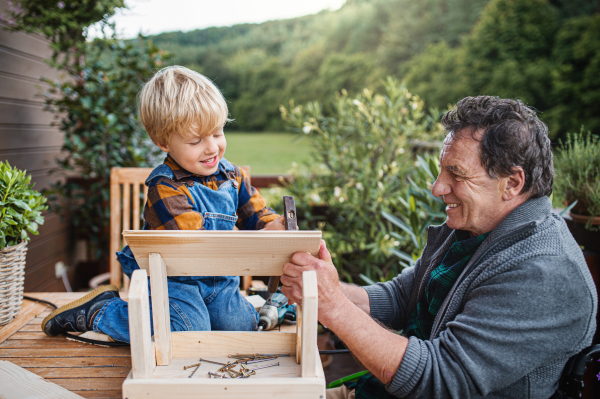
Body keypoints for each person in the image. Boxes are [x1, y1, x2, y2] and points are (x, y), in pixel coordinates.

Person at [281, 96, 597, 399]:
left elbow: (438, 380)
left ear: (512, 183)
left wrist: (334, 307)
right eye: (442, 169)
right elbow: (402, 298)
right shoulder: (475, 226)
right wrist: (322, 283)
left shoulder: (544, 273)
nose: (437, 187)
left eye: (456, 174)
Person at [42, 66, 285, 342]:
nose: (212, 148)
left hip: (220, 279)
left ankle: (258, 311)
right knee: (188, 332)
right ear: (162, 141)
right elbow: (200, 243)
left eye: (217, 133)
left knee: (240, 328)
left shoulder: (232, 175)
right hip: (174, 281)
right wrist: (257, 243)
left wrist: (274, 226)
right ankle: (101, 311)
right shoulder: (164, 186)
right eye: (196, 141)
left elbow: (257, 215)